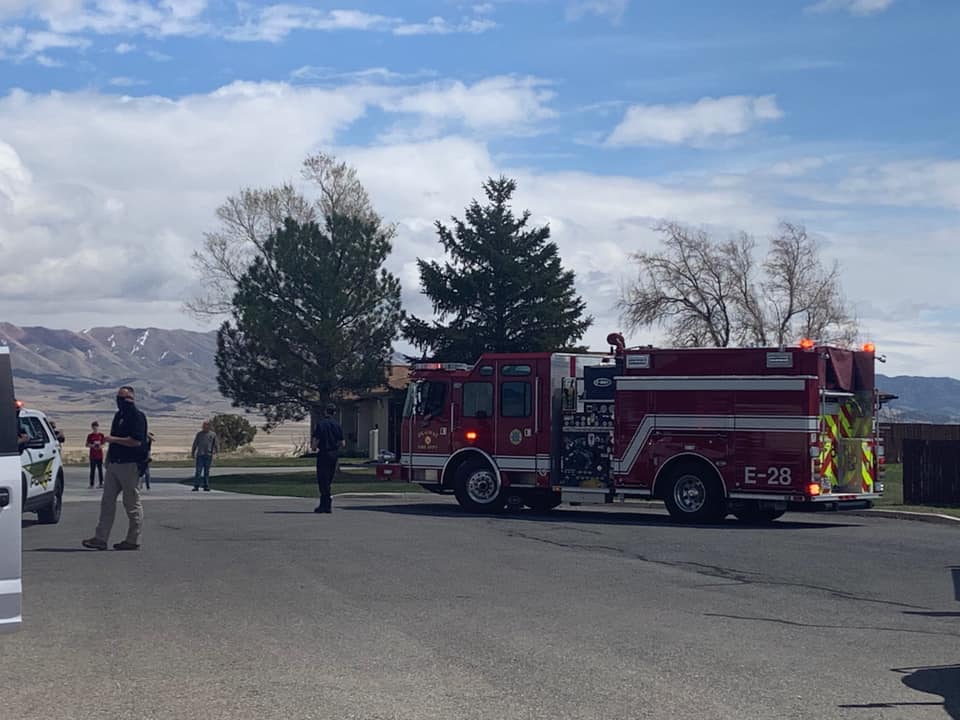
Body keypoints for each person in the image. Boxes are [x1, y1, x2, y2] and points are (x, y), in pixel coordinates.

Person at [82, 386, 148, 551]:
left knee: (131, 503)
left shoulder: (137, 417)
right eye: (118, 398)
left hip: (130, 464)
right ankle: (100, 538)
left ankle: (134, 539)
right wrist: (109, 458)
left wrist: (114, 440)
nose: (121, 402)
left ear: (131, 399)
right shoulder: (118, 416)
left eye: (124, 398)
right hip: (115, 464)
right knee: (107, 502)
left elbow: (136, 441)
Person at [310, 403, 344, 514]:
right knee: (329, 478)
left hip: (324, 453)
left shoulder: (321, 424)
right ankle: (326, 503)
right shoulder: (337, 425)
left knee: (322, 478)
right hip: (334, 454)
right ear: (334, 412)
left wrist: (314, 448)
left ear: (325, 412)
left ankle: (325, 504)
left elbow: (316, 439)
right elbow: (342, 443)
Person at [191, 420, 219, 492]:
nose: (204, 427)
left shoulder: (213, 434)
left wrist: (217, 452)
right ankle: (196, 486)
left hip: (208, 455)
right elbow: (195, 444)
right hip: (200, 455)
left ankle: (206, 486)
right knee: (198, 471)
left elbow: (216, 444)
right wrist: (193, 452)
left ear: (209, 427)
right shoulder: (199, 434)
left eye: (206, 426)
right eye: (203, 426)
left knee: (206, 471)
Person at [86, 421, 105, 488]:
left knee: (100, 470)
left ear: (98, 427)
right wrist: (93, 445)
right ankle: (91, 484)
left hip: (99, 455)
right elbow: (87, 444)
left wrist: (100, 446)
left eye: (96, 427)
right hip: (92, 455)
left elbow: (103, 444)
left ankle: (101, 483)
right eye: (94, 427)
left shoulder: (101, 435)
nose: (95, 428)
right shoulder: (90, 436)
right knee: (92, 470)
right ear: (92, 427)